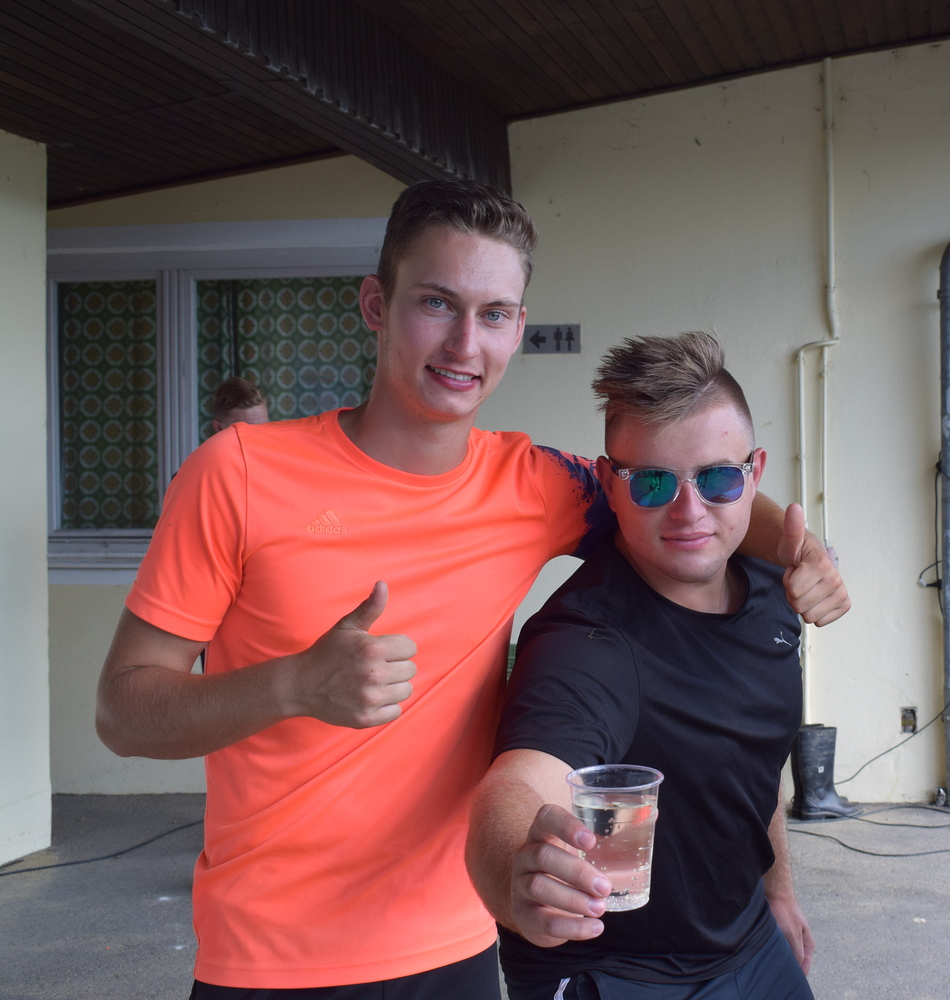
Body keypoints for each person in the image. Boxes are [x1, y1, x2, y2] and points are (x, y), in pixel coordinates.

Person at [94, 180, 849, 998]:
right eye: (436, 303)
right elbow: (123, 712)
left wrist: (802, 549)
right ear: (376, 305)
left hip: (454, 946)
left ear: (518, 328)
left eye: (493, 314)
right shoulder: (237, 474)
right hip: (270, 957)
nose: (463, 343)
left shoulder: (535, 484)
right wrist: (293, 685)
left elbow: (680, 488)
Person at [465, 332, 815, 1000]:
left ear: (754, 473)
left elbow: (752, 754)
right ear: (608, 482)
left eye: (717, 478)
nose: (690, 511)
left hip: (746, 938)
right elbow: (516, 785)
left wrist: (778, 890)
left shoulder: (771, 591)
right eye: (653, 482)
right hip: (613, 969)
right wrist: (519, 874)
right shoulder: (587, 641)